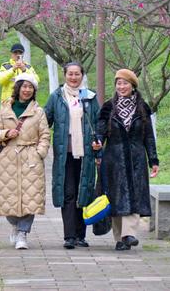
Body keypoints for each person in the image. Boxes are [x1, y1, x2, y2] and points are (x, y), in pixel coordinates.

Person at [96, 69, 159, 251]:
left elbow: (149, 137)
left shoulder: (143, 107)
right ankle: (119, 238)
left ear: (133, 86)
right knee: (116, 198)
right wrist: (98, 143)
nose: (121, 87)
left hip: (136, 158)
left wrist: (153, 160)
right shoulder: (108, 107)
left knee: (135, 195)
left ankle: (129, 234)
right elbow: (100, 131)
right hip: (113, 159)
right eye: (118, 83)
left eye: (125, 83)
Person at [44, 62, 101, 249]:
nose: (73, 77)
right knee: (68, 193)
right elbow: (45, 121)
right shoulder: (57, 97)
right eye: (70, 74)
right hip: (64, 154)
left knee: (83, 192)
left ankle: (80, 235)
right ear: (65, 75)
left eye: (77, 74)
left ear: (82, 76)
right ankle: (69, 236)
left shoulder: (90, 97)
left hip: (86, 155)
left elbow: (98, 124)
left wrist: (98, 143)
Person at [0, 73, 50, 250]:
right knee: (9, 197)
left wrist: (39, 153)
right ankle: (15, 225)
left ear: (34, 91)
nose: (27, 90)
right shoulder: (5, 109)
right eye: (24, 86)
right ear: (17, 88)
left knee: (30, 197)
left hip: (31, 157)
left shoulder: (38, 112)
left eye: (30, 87)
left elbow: (45, 135)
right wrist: (6, 134)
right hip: (9, 158)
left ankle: (23, 233)